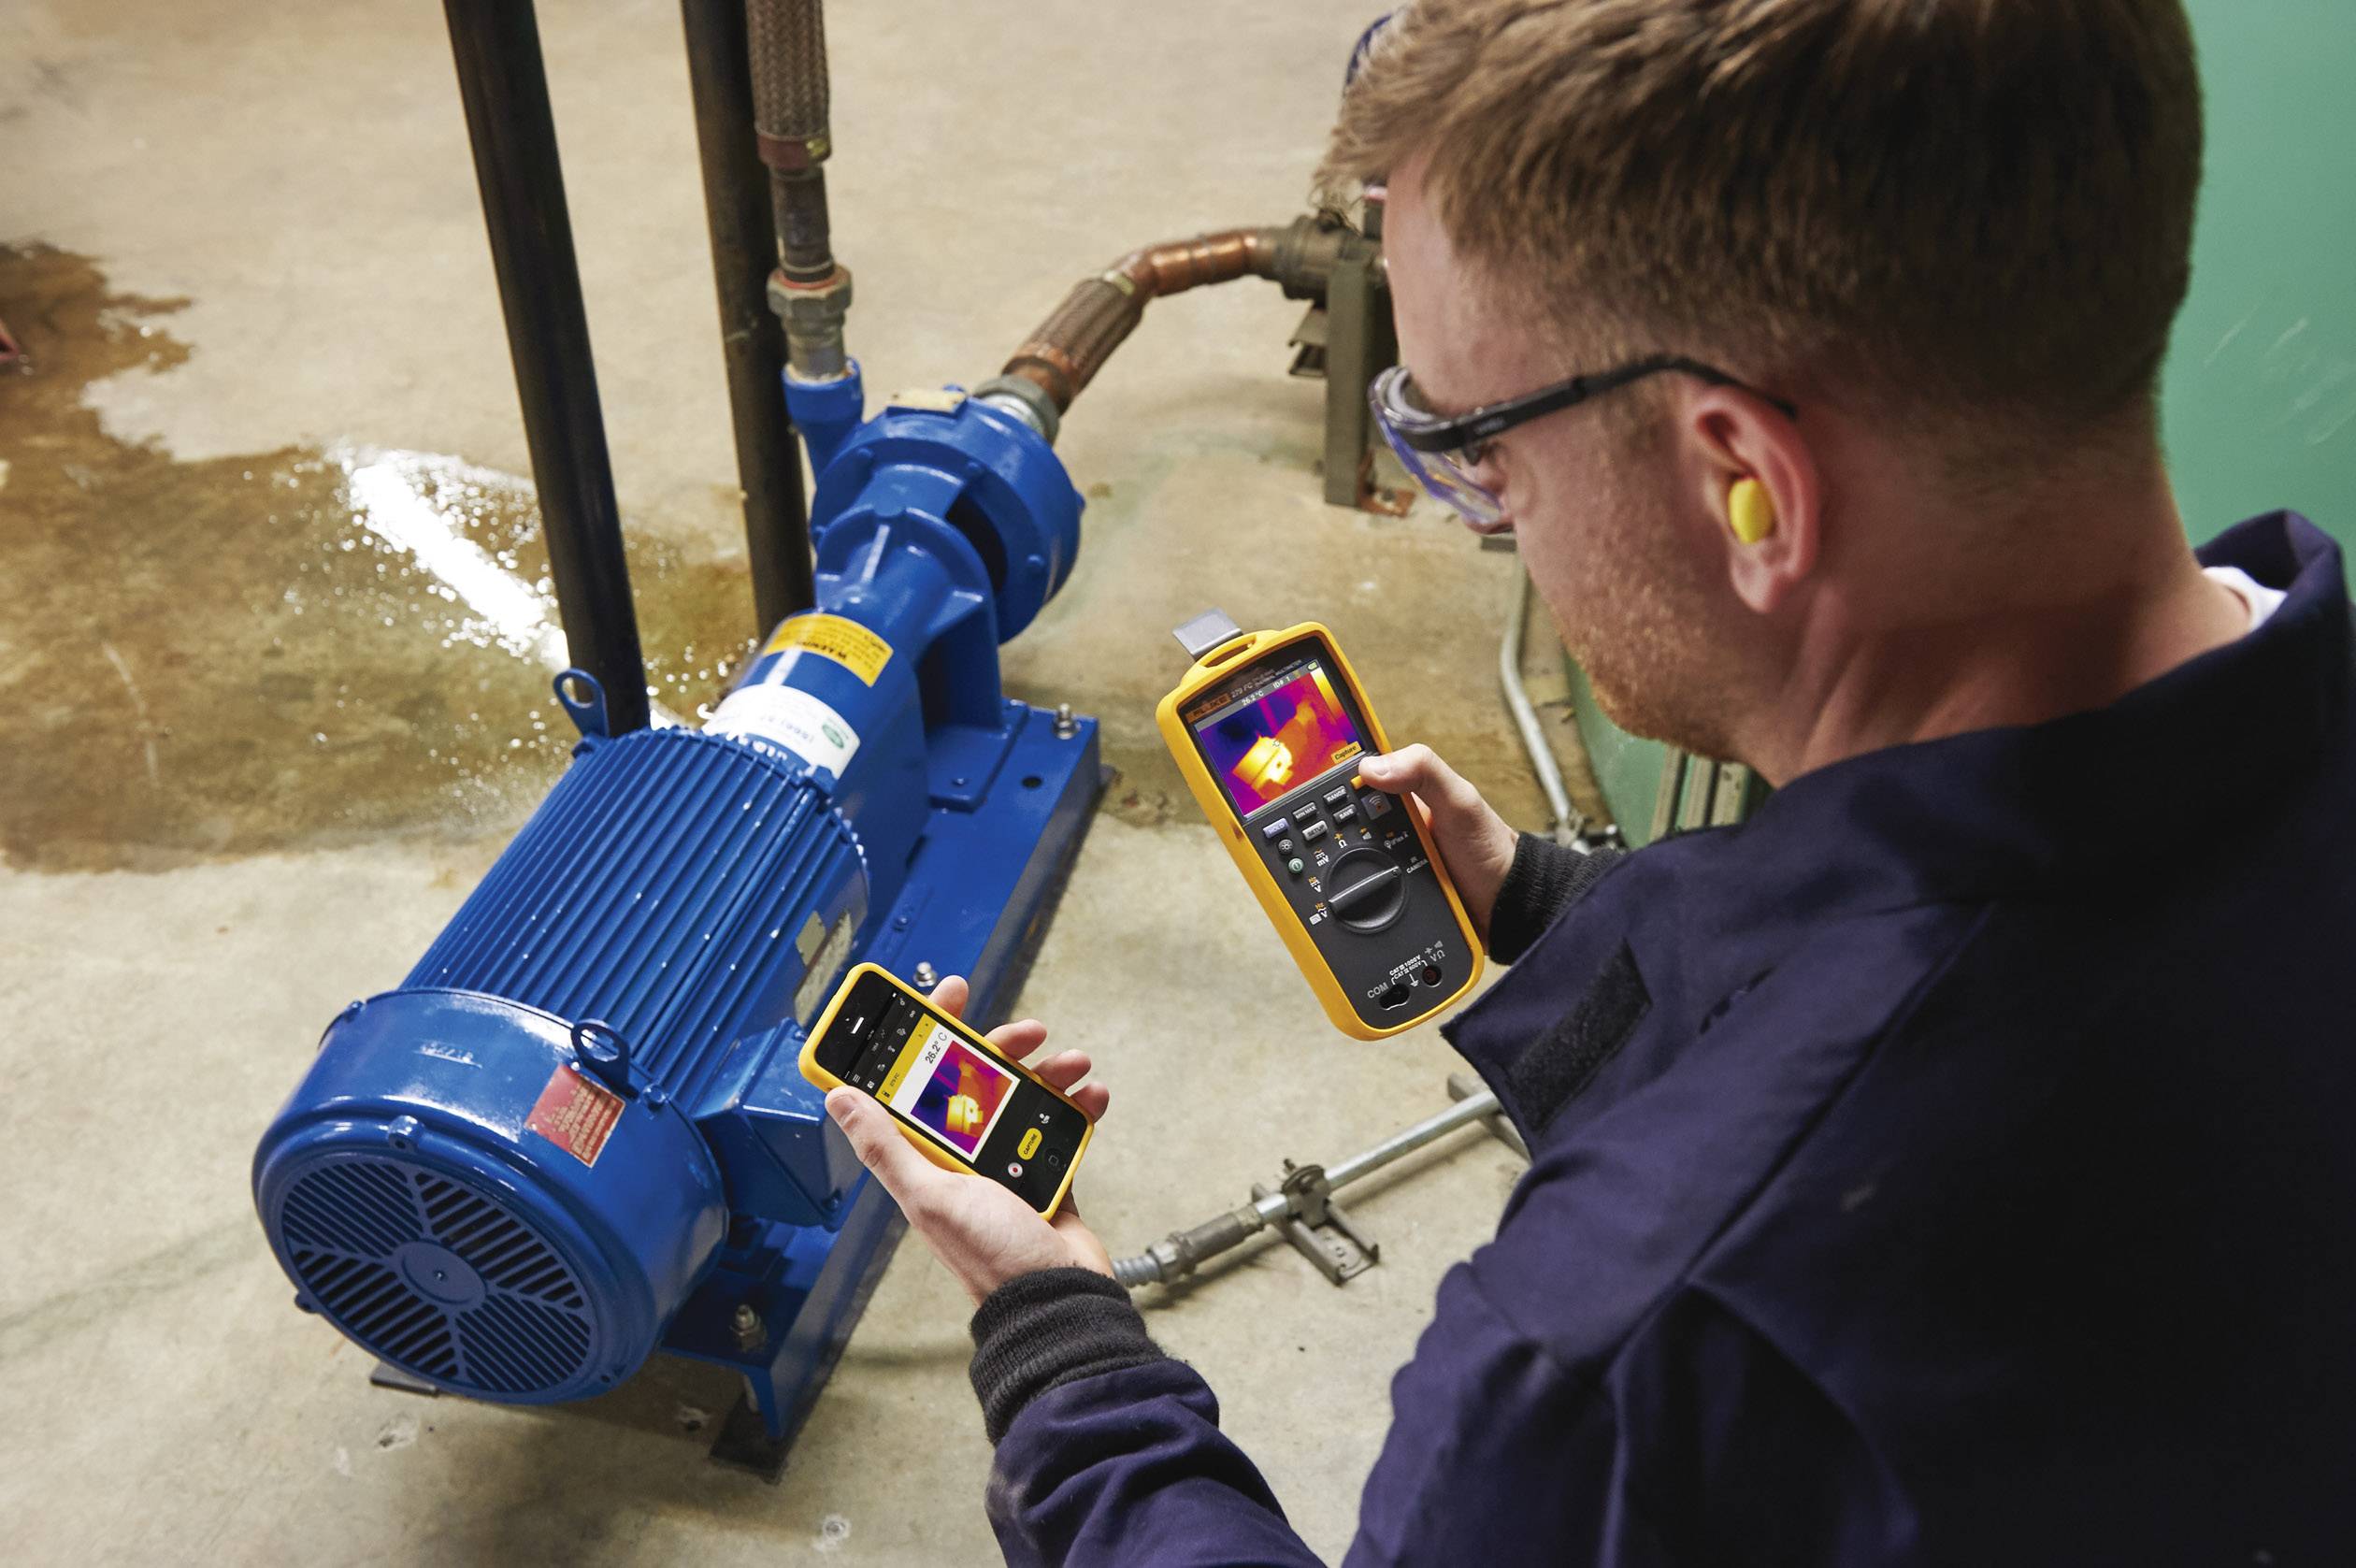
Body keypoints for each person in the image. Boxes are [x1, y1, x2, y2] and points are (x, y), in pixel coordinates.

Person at [823, 0, 2356, 1561]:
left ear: (1747, 487)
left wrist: (1063, 1338)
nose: (1483, 520)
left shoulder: (1625, 1352)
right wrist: (1551, 905)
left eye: (1476, 449)